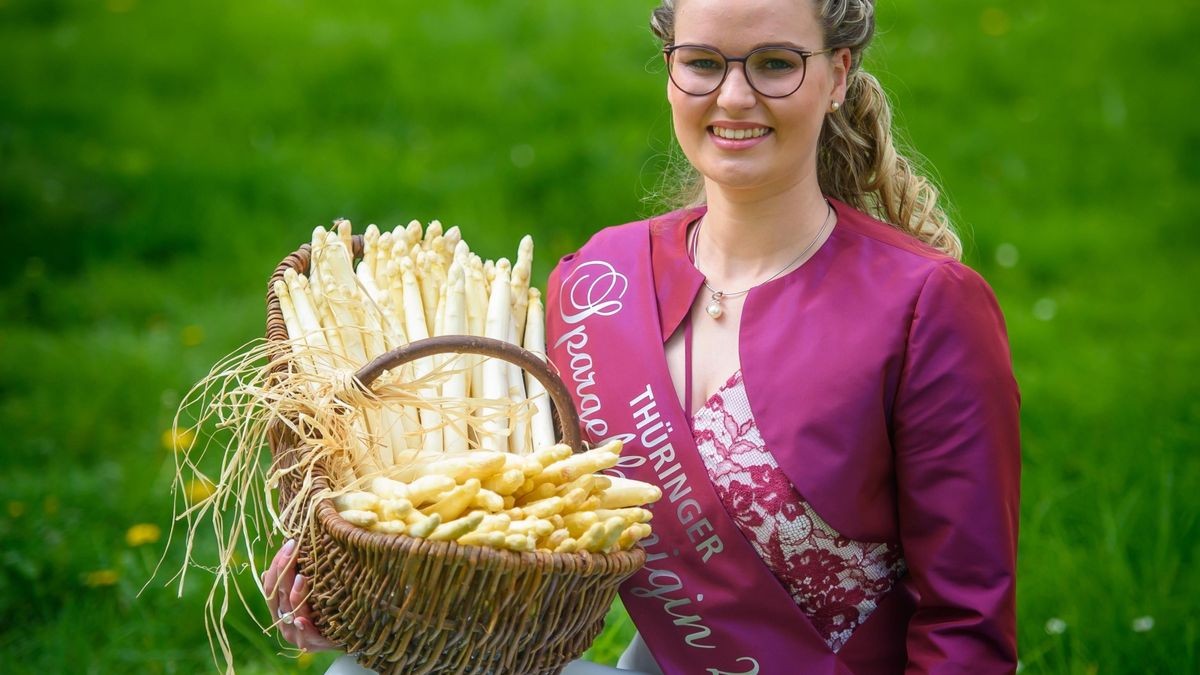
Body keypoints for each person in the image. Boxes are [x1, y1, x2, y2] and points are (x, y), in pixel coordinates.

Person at [265, 0, 1021, 672]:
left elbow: (966, 625)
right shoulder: (600, 280)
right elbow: (522, 552)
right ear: (670, 70)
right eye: (701, 63)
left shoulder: (927, 305)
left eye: (775, 64)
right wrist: (360, 605)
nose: (733, 96)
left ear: (837, 76)